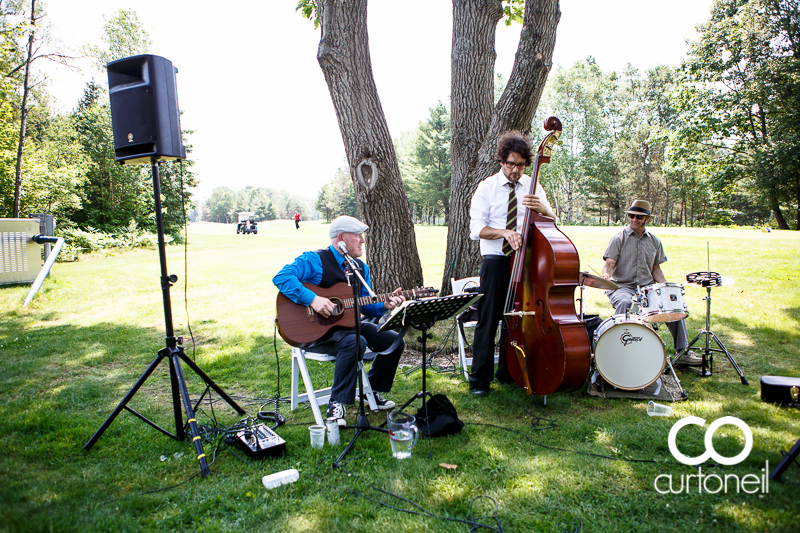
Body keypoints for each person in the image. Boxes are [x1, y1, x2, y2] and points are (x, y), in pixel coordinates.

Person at [272, 215, 406, 424]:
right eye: (358, 236)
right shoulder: (316, 260)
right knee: (356, 341)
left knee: (394, 339)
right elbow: (282, 277)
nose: (363, 240)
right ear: (341, 239)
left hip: (350, 327)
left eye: (363, 236)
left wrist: (383, 305)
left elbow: (366, 307)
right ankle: (337, 404)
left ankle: (373, 389)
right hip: (318, 331)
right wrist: (313, 299)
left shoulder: (360, 268)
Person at [467, 131, 558, 397]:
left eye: (520, 165)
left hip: (525, 262)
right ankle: (479, 380)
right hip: (496, 261)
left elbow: (552, 221)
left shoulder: (532, 185)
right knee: (489, 319)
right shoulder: (487, 187)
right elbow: (477, 229)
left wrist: (543, 208)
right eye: (510, 164)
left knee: (517, 319)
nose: (515, 170)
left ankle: (509, 371)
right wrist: (505, 233)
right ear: (501, 161)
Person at [601, 200, 701, 366]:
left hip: (647, 289)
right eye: (631, 216)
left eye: (638, 217)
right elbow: (609, 263)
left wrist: (667, 290)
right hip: (622, 287)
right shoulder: (619, 238)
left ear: (647, 218)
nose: (634, 219)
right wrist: (606, 275)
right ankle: (616, 350)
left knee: (672, 306)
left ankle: (682, 352)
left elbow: (656, 269)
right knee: (625, 302)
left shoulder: (655, 242)